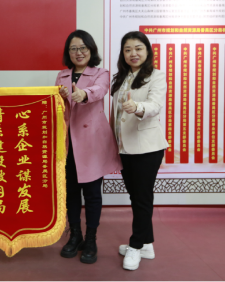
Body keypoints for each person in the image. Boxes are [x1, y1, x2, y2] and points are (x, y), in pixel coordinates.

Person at [55, 30, 122, 264]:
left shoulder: (101, 73)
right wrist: (60, 97)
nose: (79, 52)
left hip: (92, 143)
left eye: (83, 47)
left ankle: (91, 239)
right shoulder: (62, 75)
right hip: (67, 143)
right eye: (73, 48)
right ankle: (75, 236)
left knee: (92, 194)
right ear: (68, 52)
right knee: (71, 192)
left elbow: (99, 91)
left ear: (91, 50)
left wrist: (82, 94)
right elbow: (56, 107)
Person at [109, 31, 169, 271]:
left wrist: (137, 107)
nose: (133, 53)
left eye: (138, 48)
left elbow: (155, 106)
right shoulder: (121, 78)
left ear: (147, 51)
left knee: (142, 198)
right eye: (127, 49)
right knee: (137, 197)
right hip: (124, 148)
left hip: (147, 147)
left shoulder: (156, 76)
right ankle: (146, 245)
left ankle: (135, 246)